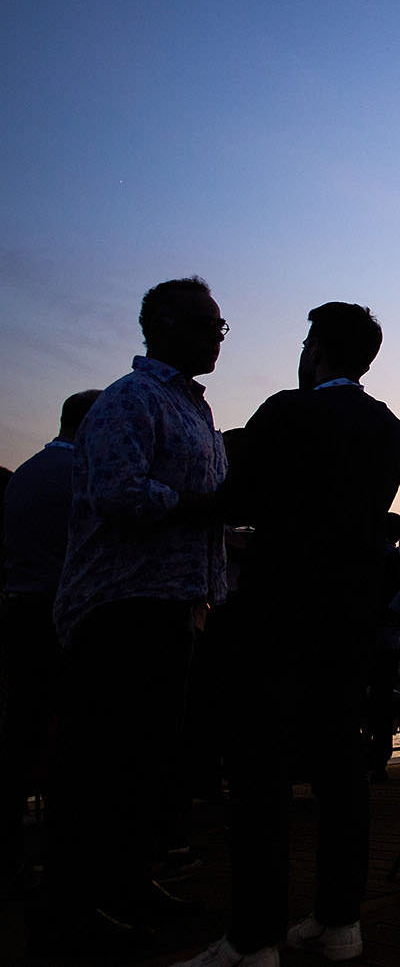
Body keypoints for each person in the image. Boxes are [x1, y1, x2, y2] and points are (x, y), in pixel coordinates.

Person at [179, 302, 400, 967]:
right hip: (351, 614)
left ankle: (254, 936)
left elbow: (239, 496)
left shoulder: (287, 410)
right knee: (340, 761)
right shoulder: (389, 427)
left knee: (262, 767)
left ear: (318, 350)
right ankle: (340, 919)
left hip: (278, 606)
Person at [46, 278, 227, 952]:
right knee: (100, 763)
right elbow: (118, 492)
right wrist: (203, 507)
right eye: (208, 325)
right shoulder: (131, 401)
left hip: (172, 605)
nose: (217, 338)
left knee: (146, 762)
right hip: (121, 607)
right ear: (166, 325)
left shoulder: (192, 409)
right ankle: (70, 908)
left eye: (220, 327)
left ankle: (127, 882)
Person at [1, 389, 99, 880]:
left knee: (21, 731)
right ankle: (66, 857)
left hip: (19, 610)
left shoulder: (28, 472)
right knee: (66, 737)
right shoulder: (79, 474)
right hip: (59, 615)